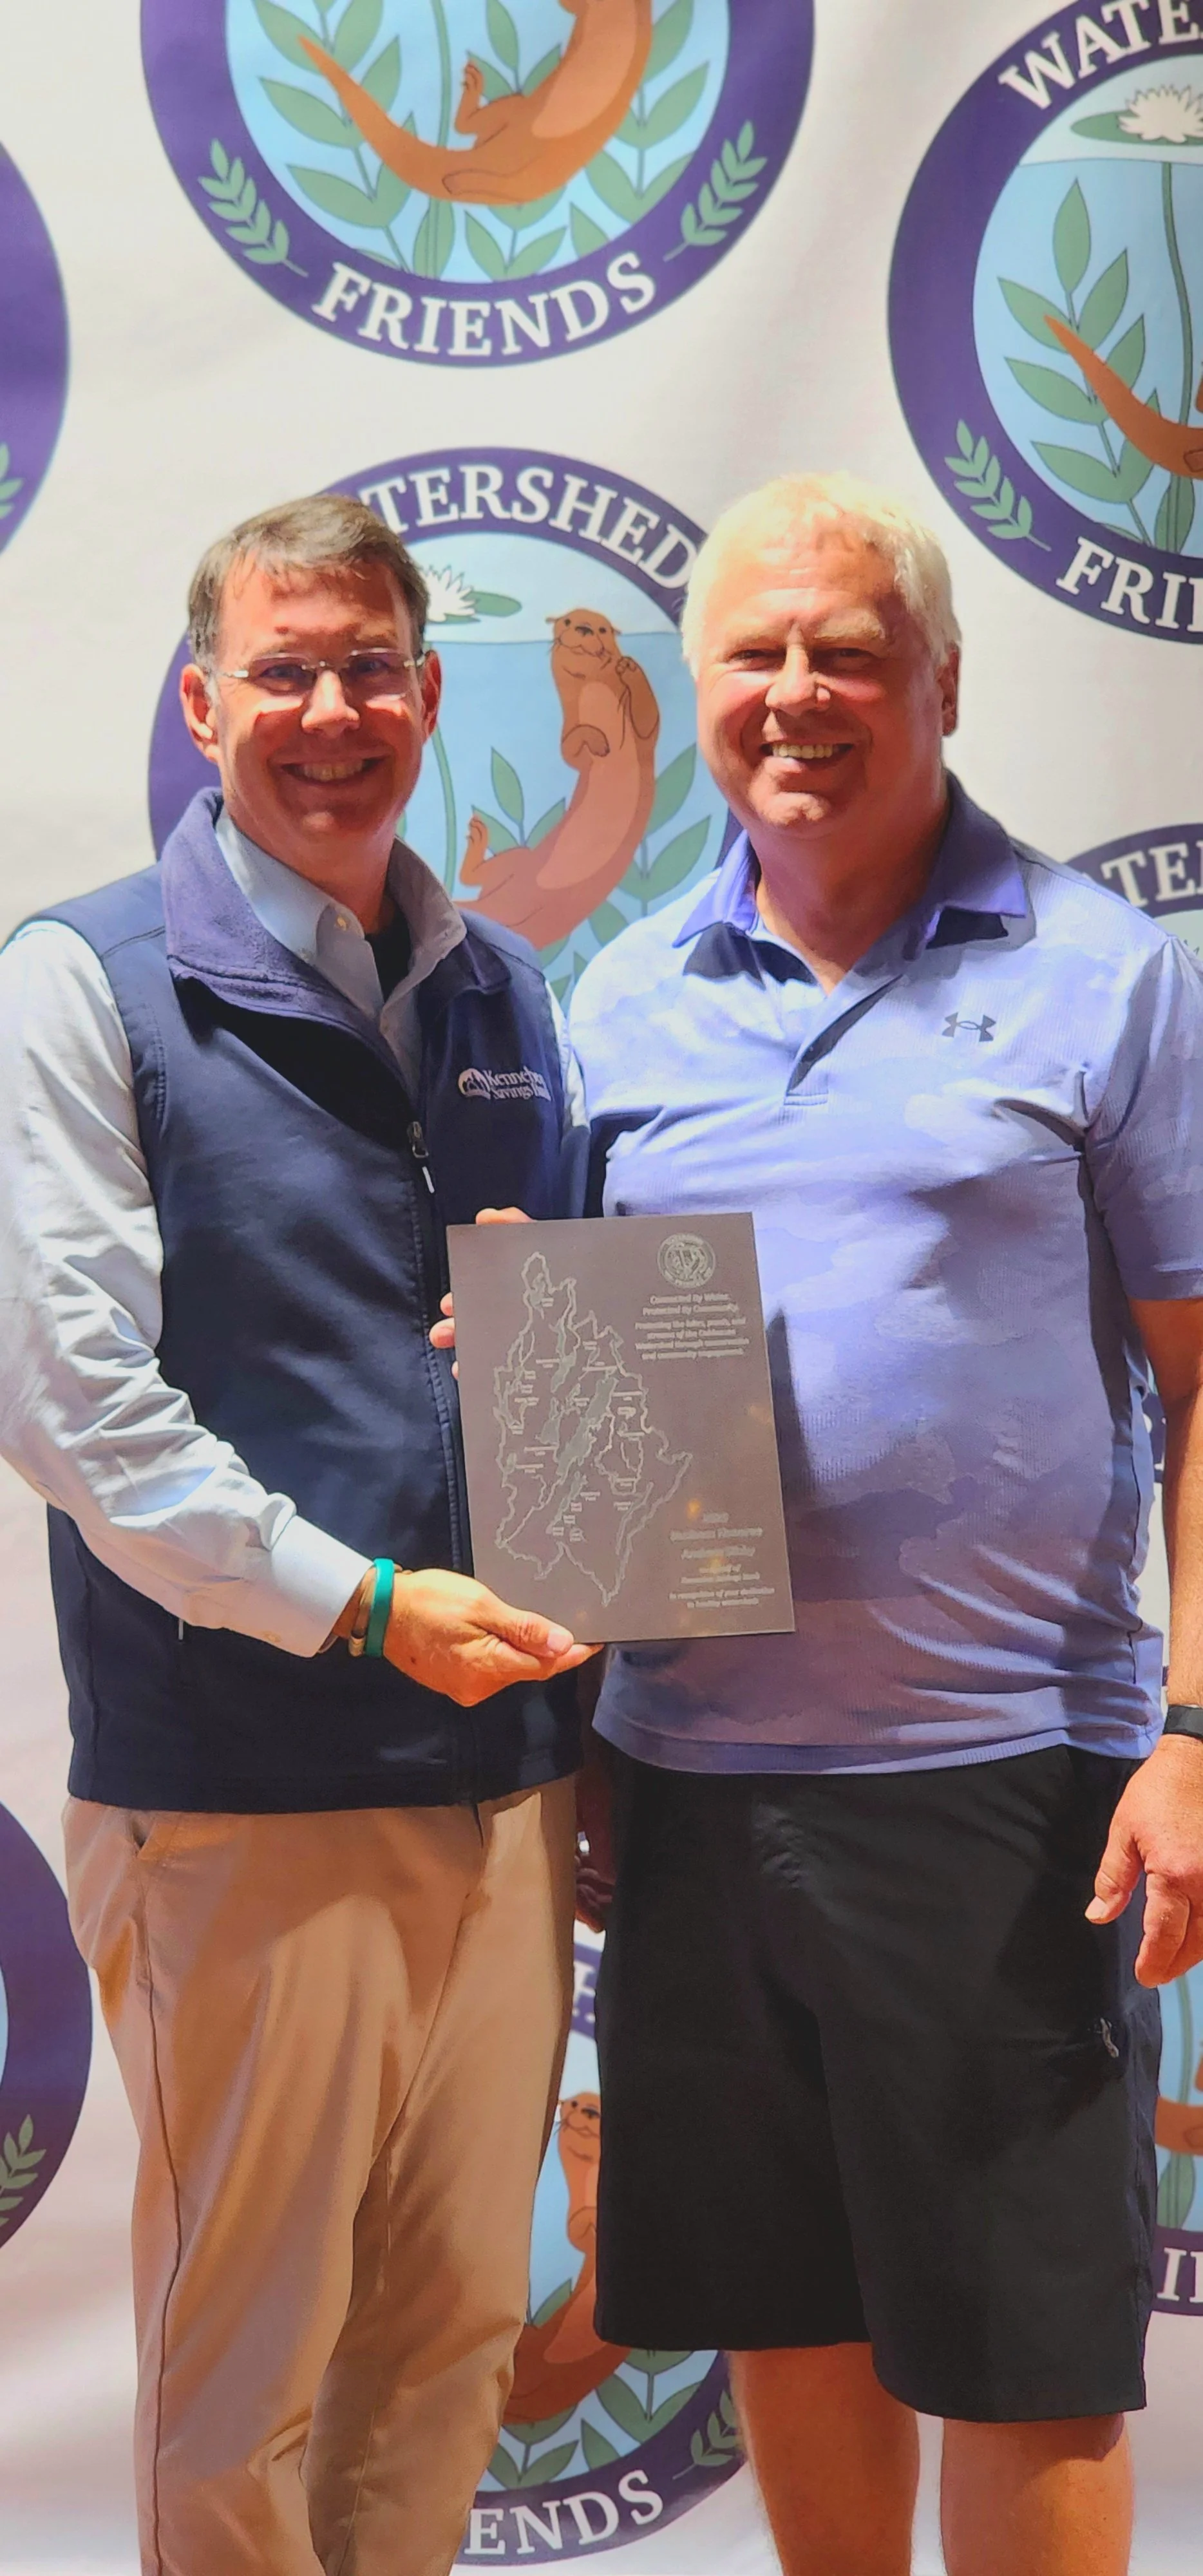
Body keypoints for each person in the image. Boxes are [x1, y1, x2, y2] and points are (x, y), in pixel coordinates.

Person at [564, 473, 1203, 2576]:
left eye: (847, 648)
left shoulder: (1106, 975)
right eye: (754, 651)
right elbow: (591, 1401)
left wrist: (1191, 1731)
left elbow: (1201, 1381)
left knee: (1025, 2357)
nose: (798, 692)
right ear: (696, 685)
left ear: (942, 674)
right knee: (789, 2320)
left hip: (1008, 1787)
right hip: (689, 1793)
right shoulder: (610, 1006)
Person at [0, 492, 596, 2576]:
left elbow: (575, 1379)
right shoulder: (83, 986)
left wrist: (569, 1331)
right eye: (284, 669)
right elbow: (70, 1406)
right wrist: (361, 1612)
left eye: (368, 668)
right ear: (202, 701)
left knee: (446, 2342)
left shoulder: (508, 993)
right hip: (252, 1800)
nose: (330, 710)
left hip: (506, 1793)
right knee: (243, 2369)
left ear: (427, 698)